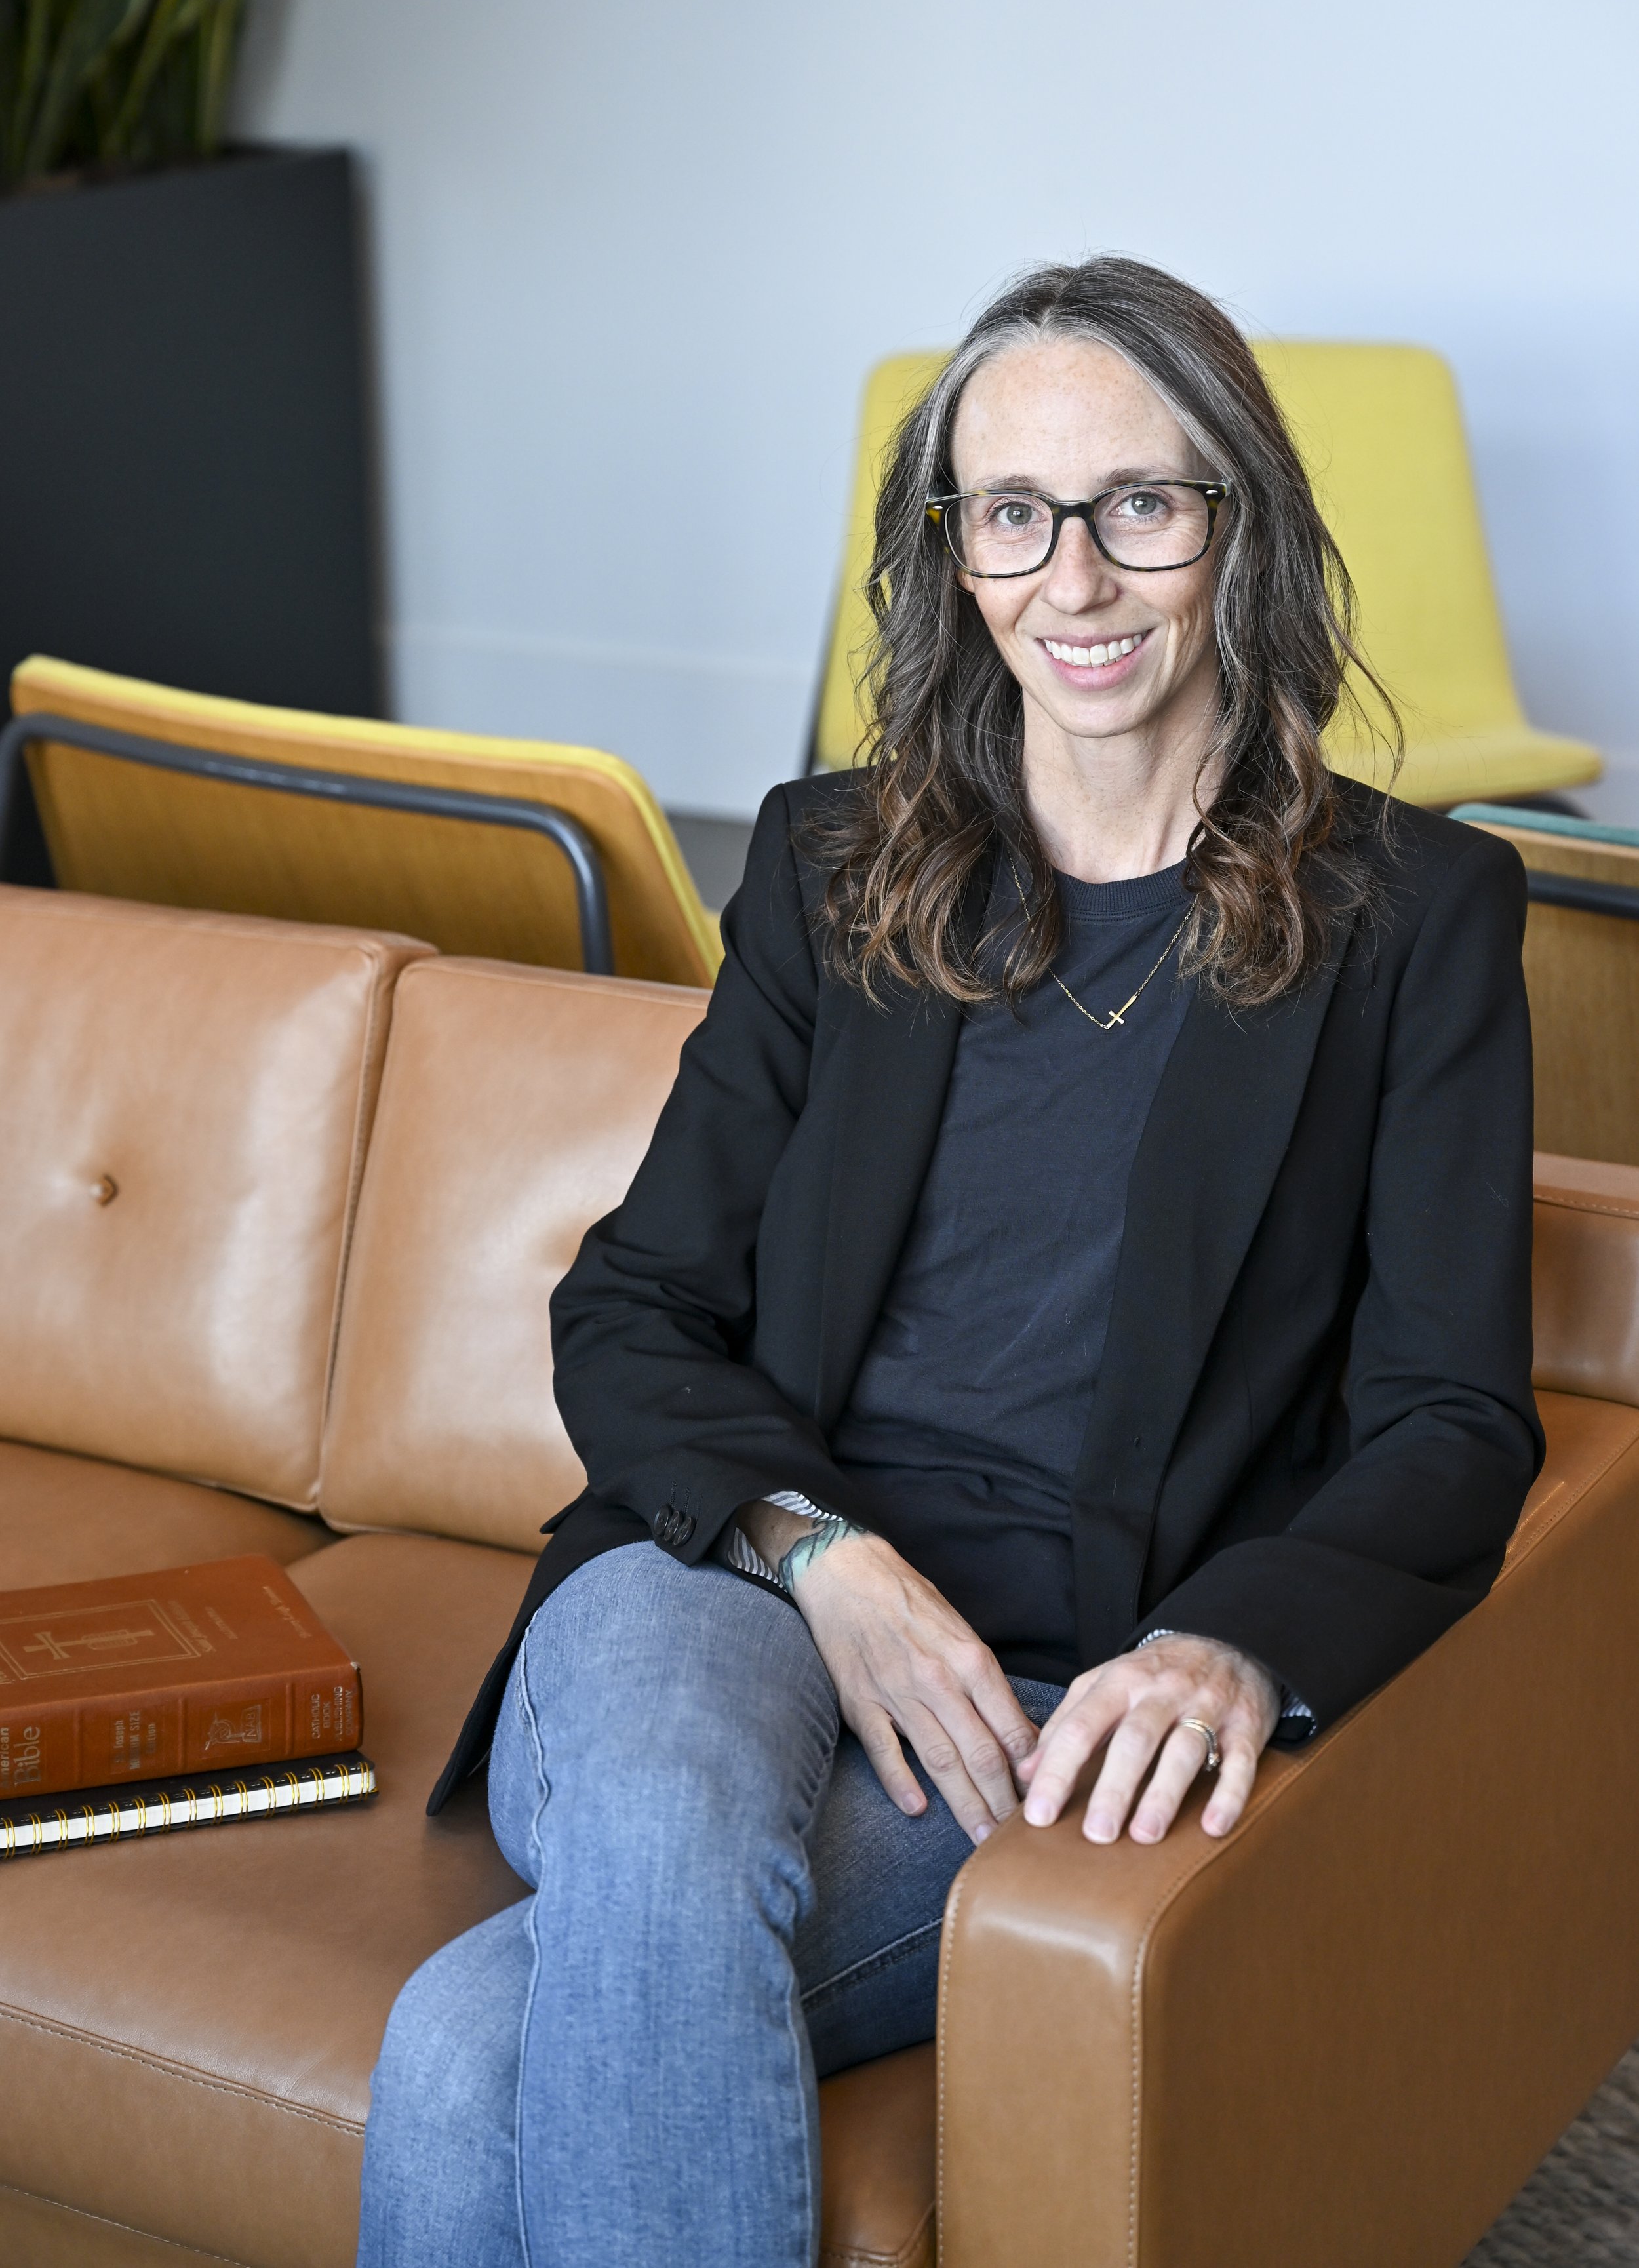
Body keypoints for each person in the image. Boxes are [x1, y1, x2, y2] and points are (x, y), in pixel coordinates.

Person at [356, 255, 1541, 2268]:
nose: (1071, 579)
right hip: (727, 1574)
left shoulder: (1411, 916)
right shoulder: (833, 868)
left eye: (1136, 507)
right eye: (1010, 515)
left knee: (474, 2048)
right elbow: (632, 1302)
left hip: (1051, 1692)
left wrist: (1225, 1643)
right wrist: (821, 1552)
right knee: (656, 1819)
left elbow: (1449, 1419)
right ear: (951, 558)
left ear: (1237, 520)